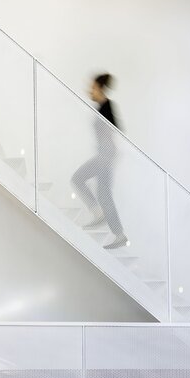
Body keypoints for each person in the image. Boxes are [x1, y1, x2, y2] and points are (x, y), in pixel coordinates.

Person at [71, 74, 128, 250]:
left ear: (100, 89)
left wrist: (109, 154)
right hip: (104, 155)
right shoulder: (102, 107)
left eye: (93, 88)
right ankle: (119, 234)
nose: (90, 91)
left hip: (105, 155)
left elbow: (115, 130)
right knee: (103, 193)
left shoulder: (107, 106)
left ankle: (102, 217)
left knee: (78, 179)